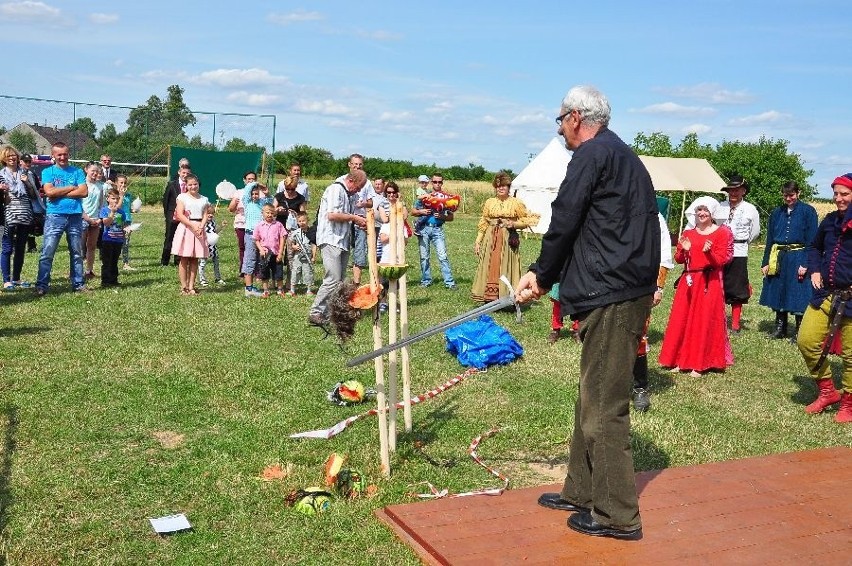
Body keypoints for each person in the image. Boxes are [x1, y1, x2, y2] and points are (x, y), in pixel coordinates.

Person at [515, 85, 659, 540]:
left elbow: (565, 217)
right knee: (590, 393)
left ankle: (617, 514)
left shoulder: (593, 155)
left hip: (613, 294)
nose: (558, 129)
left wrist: (540, 273)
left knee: (605, 407)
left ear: (576, 117)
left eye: (559, 120)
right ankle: (581, 489)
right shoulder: (623, 156)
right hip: (618, 289)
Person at [796, 173, 852, 424]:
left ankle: (849, 403)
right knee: (806, 339)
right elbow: (815, 248)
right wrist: (815, 269)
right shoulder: (829, 221)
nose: (838, 199)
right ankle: (828, 391)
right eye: (836, 193)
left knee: (851, 356)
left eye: (845, 194)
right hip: (826, 294)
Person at [658, 201, 734, 377]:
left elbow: (721, 261)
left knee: (702, 320)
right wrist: (684, 251)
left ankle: (700, 362)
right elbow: (678, 259)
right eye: (699, 209)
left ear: (712, 212)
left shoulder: (721, 233)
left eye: (705, 209)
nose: (702, 213)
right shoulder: (688, 233)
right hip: (689, 279)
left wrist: (708, 252)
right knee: (682, 319)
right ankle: (678, 359)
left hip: (708, 282)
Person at [759, 182, 818, 342]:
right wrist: (765, 262)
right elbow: (770, 239)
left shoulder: (808, 212)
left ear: (798, 193)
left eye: (791, 195)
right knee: (779, 290)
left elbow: (812, 240)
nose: (788, 198)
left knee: (798, 292)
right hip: (779, 257)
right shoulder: (776, 213)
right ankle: (780, 328)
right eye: (785, 195)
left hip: (798, 256)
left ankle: (800, 331)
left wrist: (806, 263)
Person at [308, 169, 368, 325]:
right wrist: (354, 218)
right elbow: (332, 215)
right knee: (332, 278)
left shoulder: (350, 194)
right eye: (359, 186)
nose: (359, 190)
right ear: (351, 181)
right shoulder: (336, 189)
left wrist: (359, 221)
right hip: (330, 238)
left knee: (340, 280)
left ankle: (331, 313)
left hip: (342, 240)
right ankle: (316, 312)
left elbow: (353, 213)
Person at [632, 212, 675, 411]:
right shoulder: (608, 204)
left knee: (639, 335)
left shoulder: (653, 214)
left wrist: (658, 286)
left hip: (641, 284)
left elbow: (664, 251)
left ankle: (639, 387)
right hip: (609, 284)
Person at [472, 172, 536, 303]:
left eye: (504, 186)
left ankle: (506, 296)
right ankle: (489, 297)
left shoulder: (515, 203)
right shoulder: (490, 202)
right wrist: (478, 241)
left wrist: (513, 224)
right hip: (491, 238)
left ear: (508, 187)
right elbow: (484, 221)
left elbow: (527, 220)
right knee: (490, 265)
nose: (501, 188)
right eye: (498, 186)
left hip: (507, 239)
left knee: (506, 265)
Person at [35, 142, 90, 296]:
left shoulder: (78, 171)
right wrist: (72, 188)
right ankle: (42, 285)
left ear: (68, 154)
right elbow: (49, 191)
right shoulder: (48, 172)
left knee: (77, 252)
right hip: (55, 216)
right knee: (48, 251)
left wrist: (58, 193)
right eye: (59, 154)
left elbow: (84, 192)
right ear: (53, 155)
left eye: (65, 154)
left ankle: (78, 284)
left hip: (75, 216)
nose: (62, 157)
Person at [714, 175, 760, 333]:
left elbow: (754, 232)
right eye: (730, 190)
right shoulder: (720, 206)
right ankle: (717, 320)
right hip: (719, 250)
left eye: (736, 190)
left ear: (743, 191)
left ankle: (734, 324)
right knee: (717, 284)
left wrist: (741, 243)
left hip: (739, 250)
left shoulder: (750, 209)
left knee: (737, 286)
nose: (733, 193)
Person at [0, 146, 38, 289]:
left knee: (21, 247)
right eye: (9, 156)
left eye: (14, 155)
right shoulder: (1, 175)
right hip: (7, 214)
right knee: (7, 248)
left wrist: (27, 183)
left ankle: (16, 278)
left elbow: (34, 196)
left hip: (24, 213)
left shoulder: (26, 173)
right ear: (4, 158)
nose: (12, 158)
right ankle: (6, 280)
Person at [336, 154, 376, 285]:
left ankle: (356, 283)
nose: (357, 167)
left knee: (359, 251)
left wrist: (363, 204)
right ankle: (339, 280)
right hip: (345, 222)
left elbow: (371, 203)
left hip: (360, 220)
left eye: (360, 164)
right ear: (349, 164)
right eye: (355, 164)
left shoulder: (367, 183)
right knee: (342, 250)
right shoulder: (341, 181)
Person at [412, 172, 456, 289]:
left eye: (439, 182)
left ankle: (450, 283)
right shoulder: (425, 196)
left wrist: (442, 216)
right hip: (424, 229)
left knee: (442, 256)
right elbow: (413, 211)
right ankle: (426, 280)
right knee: (424, 257)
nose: (437, 184)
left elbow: (451, 217)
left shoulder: (445, 198)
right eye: (435, 181)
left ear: (442, 183)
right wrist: (421, 212)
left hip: (437, 230)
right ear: (432, 182)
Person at [170, 174, 209, 295]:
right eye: (190, 184)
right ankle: (184, 287)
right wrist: (192, 225)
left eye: (195, 184)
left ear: (199, 184)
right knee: (184, 258)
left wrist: (201, 226)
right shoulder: (182, 197)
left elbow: (205, 215)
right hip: (186, 228)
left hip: (199, 229)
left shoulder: (204, 199)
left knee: (194, 259)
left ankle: (191, 286)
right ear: (186, 186)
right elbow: (180, 215)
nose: (193, 186)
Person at [240, 179, 274, 297]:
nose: (255, 195)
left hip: (261, 235)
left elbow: (271, 201)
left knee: (259, 261)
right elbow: (246, 190)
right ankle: (248, 288)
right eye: (253, 194)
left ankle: (252, 287)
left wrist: (266, 191)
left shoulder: (261, 203)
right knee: (249, 260)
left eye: (256, 193)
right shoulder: (247, 202)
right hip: (250, 235)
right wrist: (256, 184)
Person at [161, 159, 191, 266]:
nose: (185, 175)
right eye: (183, 173)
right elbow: (166, 201)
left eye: (187, 173)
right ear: (179, 172)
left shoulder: (190, 186)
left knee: (181, 238)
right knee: (169, 238)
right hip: (172, 217)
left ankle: (178, 261)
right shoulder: (172, 184)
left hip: (184, 217)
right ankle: (164, 261)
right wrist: (168, 216)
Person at [253, 203, 287, 298]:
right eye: (267, 213)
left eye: (272, 213)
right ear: (262, 213)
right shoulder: (259, 225)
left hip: (276, 253)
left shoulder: (278, 225)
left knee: (278, 272)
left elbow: (283, 237)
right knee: (264, 273)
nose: (269, 215)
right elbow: (256, 239)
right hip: (265, 254)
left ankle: (280, 289)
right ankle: (266, 290)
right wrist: (260, 249)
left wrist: (280, 253)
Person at [98, 188, 126, 287]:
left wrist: (127, 229)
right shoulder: (104, 210)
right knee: (107, 261)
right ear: (108, 199)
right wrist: (112, 213)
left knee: (115, 260)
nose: (116, 201)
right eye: (113, 198)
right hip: (108, 239)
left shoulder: (121, 212)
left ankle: (114, 280)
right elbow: (106, 223)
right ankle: (105, 281)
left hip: (118, 240)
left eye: (117, 199)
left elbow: (121, 225)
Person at [81, 162, 105, 279]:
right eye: (93, 171)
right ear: (86, 170)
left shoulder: (100, 186)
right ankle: (77, 270)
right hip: (83, 219)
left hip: (96, 220)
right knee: (80, 247)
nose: (95, 173)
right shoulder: (81, 184)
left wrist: (100, 218)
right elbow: (79, 205)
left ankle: (89, 270)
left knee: (92, 246)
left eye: (97, 171)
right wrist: (88, 219)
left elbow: (101, 204)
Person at [228, 171, 254, 275]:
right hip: (241, 224)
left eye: (253, 179)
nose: (251, 181)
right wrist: (234, 203)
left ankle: (254, 270)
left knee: (254, 247)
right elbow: (231, 209)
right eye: (249, 179)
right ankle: (243, 270)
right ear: (244, 180)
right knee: (242, 247)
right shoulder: (239, 192)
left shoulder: (259, 193)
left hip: (254, 225)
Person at [287, 211, 315, 296]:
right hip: (297, 256)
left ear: (307, 221)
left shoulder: (311, 232)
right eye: (299, 221)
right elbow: (290, 242)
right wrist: (293, 246)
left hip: (308, 256)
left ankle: (309, 290)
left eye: (303, 221)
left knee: (308, 272)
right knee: (295, 271)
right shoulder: (295, 232)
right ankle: (292, 290)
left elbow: (314, 245)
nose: (301, 223)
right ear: (297, 222)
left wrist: (313, 256)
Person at [20, 154, 44, 254]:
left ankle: (32, 246)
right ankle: (18, 246)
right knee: (21, 225)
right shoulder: (17, 173)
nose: (28, 163)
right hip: (21, 203)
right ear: (21, 162)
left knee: (32, 224)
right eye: (26, 161)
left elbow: (38, 189)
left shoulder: (32, 174)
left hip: (33, 202)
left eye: (30, 161)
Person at [198, 203, 225, 287]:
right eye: (208, 213)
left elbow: (214, 232)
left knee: (216, 262)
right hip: (204, 246)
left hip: (213, 247)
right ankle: (202, 279)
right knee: (203, 263)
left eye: (212, 213)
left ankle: (218, 278)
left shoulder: (213, 223)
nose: (210, 215)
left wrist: (221, 227)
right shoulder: (202, 223)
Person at [115, 175, 136, 271]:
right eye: (121, 182)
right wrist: (121, 195)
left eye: (125, 183)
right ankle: (113, 261)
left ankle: (125, 263)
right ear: (116, 183)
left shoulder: (128, 195)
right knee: (117, 242)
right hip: (118, 220)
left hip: (127, 220)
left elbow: (127, 208)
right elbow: (117, 208)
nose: (123, 185)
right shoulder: (114, 195)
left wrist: (134, 209)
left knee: (126, 242)